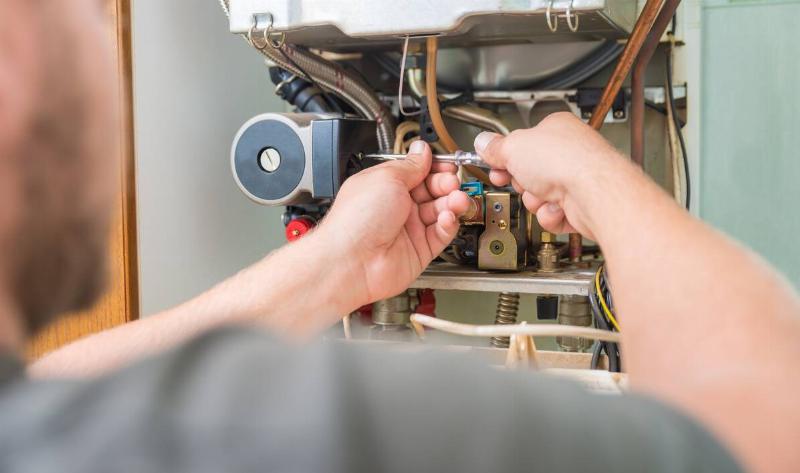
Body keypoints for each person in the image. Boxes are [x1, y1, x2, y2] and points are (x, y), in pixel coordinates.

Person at [1, 1, 797, 472]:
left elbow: (61, 390)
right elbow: (763, 436)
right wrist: (600, 181)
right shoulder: (320, 422)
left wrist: (340, 263)